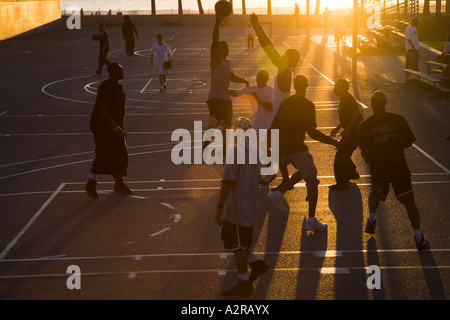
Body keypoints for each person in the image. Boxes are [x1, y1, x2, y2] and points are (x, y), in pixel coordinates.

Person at [358, 91, 429, 250]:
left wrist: (373, 162)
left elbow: (365, 151)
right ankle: (418, 236)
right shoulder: (398, 120)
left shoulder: (365, 125)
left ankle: (371, 219)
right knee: (408, 201)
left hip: (379, 168)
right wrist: (396, 146)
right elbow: (409, 140)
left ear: (371, 104)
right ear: (385, 103)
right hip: (399, 166)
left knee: (376, 193)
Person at [268, 75, 339, 232]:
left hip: (282, 147)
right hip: (296, 148)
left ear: (295, 86)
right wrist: (333, 142)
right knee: (312, 179)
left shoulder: (286, 102)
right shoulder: (308, 105)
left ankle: (280, 191)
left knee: (302, 171)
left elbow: (273, 127)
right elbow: (313, 133)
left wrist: (273, 150)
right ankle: (311, 220)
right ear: (306, 86)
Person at [216, 117, 269, 298]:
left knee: (238, 247)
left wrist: (219, 206)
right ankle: (256, 264)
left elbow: (227, 182)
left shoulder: (236, 152)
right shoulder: (255, 153)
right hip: (250, 206)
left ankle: (244, 284)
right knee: (242, 242)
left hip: (236, 208)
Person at [249, 13, 301, 189]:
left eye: (285, 55)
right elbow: (270, 48)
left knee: (274, 147)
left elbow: (268, 47)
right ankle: (283, 176)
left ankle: (285, 175)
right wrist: (257, 27)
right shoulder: (284, 69)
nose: (281, 55)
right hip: (279, 115)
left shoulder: (284, 70)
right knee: (275, 147)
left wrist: (257, 27)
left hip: (280, 117)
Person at [85, 63, 132, 199]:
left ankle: (119, 183)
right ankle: (91, 183)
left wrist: (121, 126)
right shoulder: (105, 87)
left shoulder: (119, 86)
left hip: (116, 127)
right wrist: (114, 126)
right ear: (112, 71)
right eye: (120, 69)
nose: (123, 71)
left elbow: (120, 110)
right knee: (104, 154)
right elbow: (102, 108)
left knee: (120, 154)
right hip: (102, 128)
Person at [204, 14, 249, 152]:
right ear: (220, 49)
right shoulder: (216, 60)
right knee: (214, 123)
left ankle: (224, 151)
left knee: (227, 126)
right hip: (215, 98)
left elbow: (232, 77)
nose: (228, 49)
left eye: (228, 47)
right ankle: (205, 144)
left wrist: (243, 80)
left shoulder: (228, 63)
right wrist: (217, 24)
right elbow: (214, 42)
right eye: (226, 47)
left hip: (225, 99)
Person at [329, 79, 363, 190]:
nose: (334, 88)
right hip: (352, 133)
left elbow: (356, 113)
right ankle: (352, 173)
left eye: (337, 86)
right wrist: (338, 128)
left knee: (340, 156)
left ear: (344, 87)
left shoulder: (348, 99)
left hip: (355, 134)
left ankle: (342, 183)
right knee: (344, 153)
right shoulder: (343, 99)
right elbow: (346, 117)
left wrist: (347, 129)